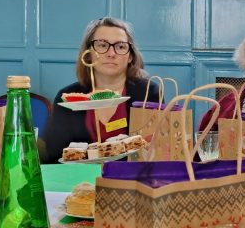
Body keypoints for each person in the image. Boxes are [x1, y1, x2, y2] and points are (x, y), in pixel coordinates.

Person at [40, 17, 160, 163]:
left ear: (130, 57)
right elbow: (54, 152)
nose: (111, 53)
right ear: (88, 54)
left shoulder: (148, 92)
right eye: (102, 45)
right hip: (79, 179)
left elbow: (157, 148)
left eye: (120, 46)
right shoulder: (67, 97)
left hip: (131, 179)